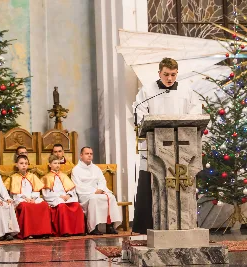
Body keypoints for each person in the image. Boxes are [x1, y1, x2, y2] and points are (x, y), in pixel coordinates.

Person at [132, 58, 200, 234]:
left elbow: (195, 112)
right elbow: (139, 112)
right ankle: (148, 226)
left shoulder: (186, 91)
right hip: (156, 146)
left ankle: (184, 223)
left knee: (181, 181)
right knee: (152, 180)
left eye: (173, 74)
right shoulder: (148, 91)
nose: (169, 78)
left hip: (181, 148)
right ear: (159, 73)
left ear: (177, 73)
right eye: (166, 74)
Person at [72, 147, 121, 235]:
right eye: (87, 154)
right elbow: (78, 186)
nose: (89, 156)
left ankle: (109, 226)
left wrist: (101, 189)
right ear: (81, 155)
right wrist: (94, 191)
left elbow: (102, 180)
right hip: (85, 195)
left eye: (91, 154)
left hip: (98, 192)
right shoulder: (76, 170)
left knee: (111, 197)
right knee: (94, 199)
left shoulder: (96, 168)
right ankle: (93, 227)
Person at [5, 155, 52, 239]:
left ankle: (43, 232)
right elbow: (15, 193)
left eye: (26, 163)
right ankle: (28, 232)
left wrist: (33, 198)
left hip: (32, 198)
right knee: (25, 206)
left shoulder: (32, 176)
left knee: (44, 205)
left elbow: (36, 190)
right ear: (16, 164)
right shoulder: (13, 177)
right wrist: (25, 198)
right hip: (20, 199)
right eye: (21, 163)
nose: (24, 165)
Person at [41, 155, 84, 237]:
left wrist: (68, 195)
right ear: (49, 165)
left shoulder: (64, 176)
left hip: (66, 197)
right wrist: (59, 196)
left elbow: (71, 189)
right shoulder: (46, 178)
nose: (57, 165)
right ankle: (65, 231)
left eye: (58, 163)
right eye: (55, 163)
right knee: (62, 206)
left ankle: (78, 230)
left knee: (76, 205)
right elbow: (46, 193)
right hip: (56, 199)